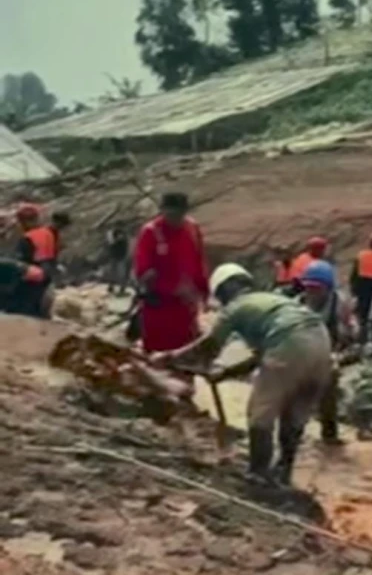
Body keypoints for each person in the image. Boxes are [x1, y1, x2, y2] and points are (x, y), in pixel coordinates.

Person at [153, 263, 331, 485]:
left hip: (289, 344)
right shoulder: (270, 301)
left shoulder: (237, 307)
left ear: (226, 289)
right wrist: (226, 373)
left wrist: (169, 357)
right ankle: (284, 472)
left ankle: (258, 474)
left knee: (260, 414)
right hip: (322, 345)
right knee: (294, 417)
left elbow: (208, 346)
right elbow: (264, 356)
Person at [133, 193, 209, 369]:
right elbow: (142, 269)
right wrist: (152, 279)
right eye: (170, 215)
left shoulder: (192, 229)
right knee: (156, 357)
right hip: (159, 307)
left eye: (178, 215)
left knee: (186, 355)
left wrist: (203, 290)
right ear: (162, 211)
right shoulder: (151, 232)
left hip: (185, 307)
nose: (175, 220)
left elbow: (199, 260)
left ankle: (185, 390)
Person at [299, 260, 356, 446]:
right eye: (309, 288)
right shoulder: (299, 304)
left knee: (328, 395)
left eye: (317, 289)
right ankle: (293, 433)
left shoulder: (340, 305)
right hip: (303, 351)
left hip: (328, 353)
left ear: (328, 288)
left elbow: (348, 332)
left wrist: (341, 352)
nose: (312, 293)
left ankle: (329, 435)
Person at [16, 203, 58, 281]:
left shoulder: (26, 238)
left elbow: (23, 260)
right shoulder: (49, 232)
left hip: (36, 275)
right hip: (51, 272)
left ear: (24, 222)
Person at [106, 224, 130, 295]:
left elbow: (126, 243)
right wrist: (117, 239)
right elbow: (111, 242)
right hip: (114, 256)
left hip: (121, 256)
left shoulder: (123, 233)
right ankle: (111, 286)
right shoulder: (111, 233)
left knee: (121, 273)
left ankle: (122, 289)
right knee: (113, 273)